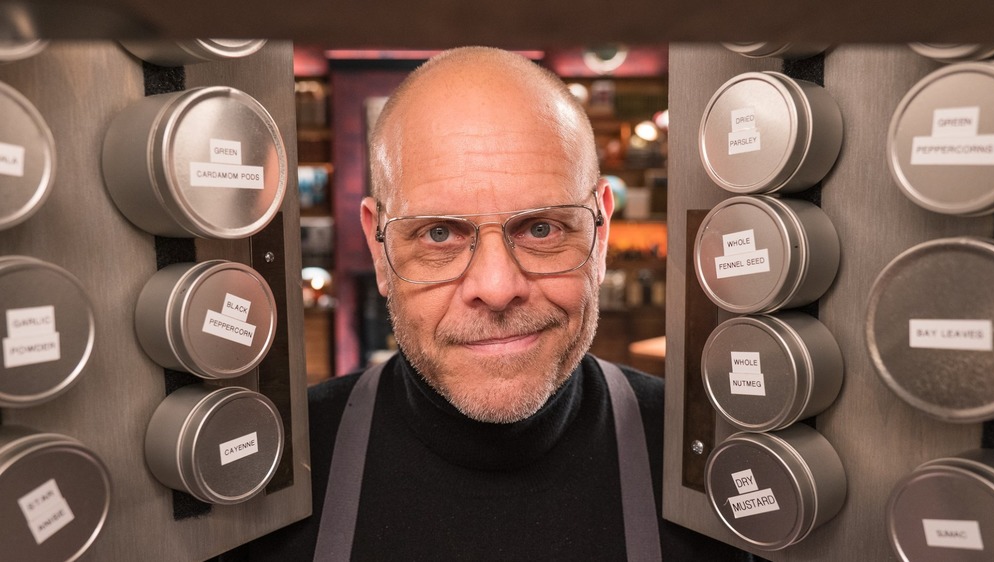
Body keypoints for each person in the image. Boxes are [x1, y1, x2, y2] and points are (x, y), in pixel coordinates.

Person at [227, 46, 744, 561]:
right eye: (437, 234)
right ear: (379, 251)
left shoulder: (724, 469)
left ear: (601, 234)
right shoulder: (265, 477)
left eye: (541, 229)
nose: (497, 288)